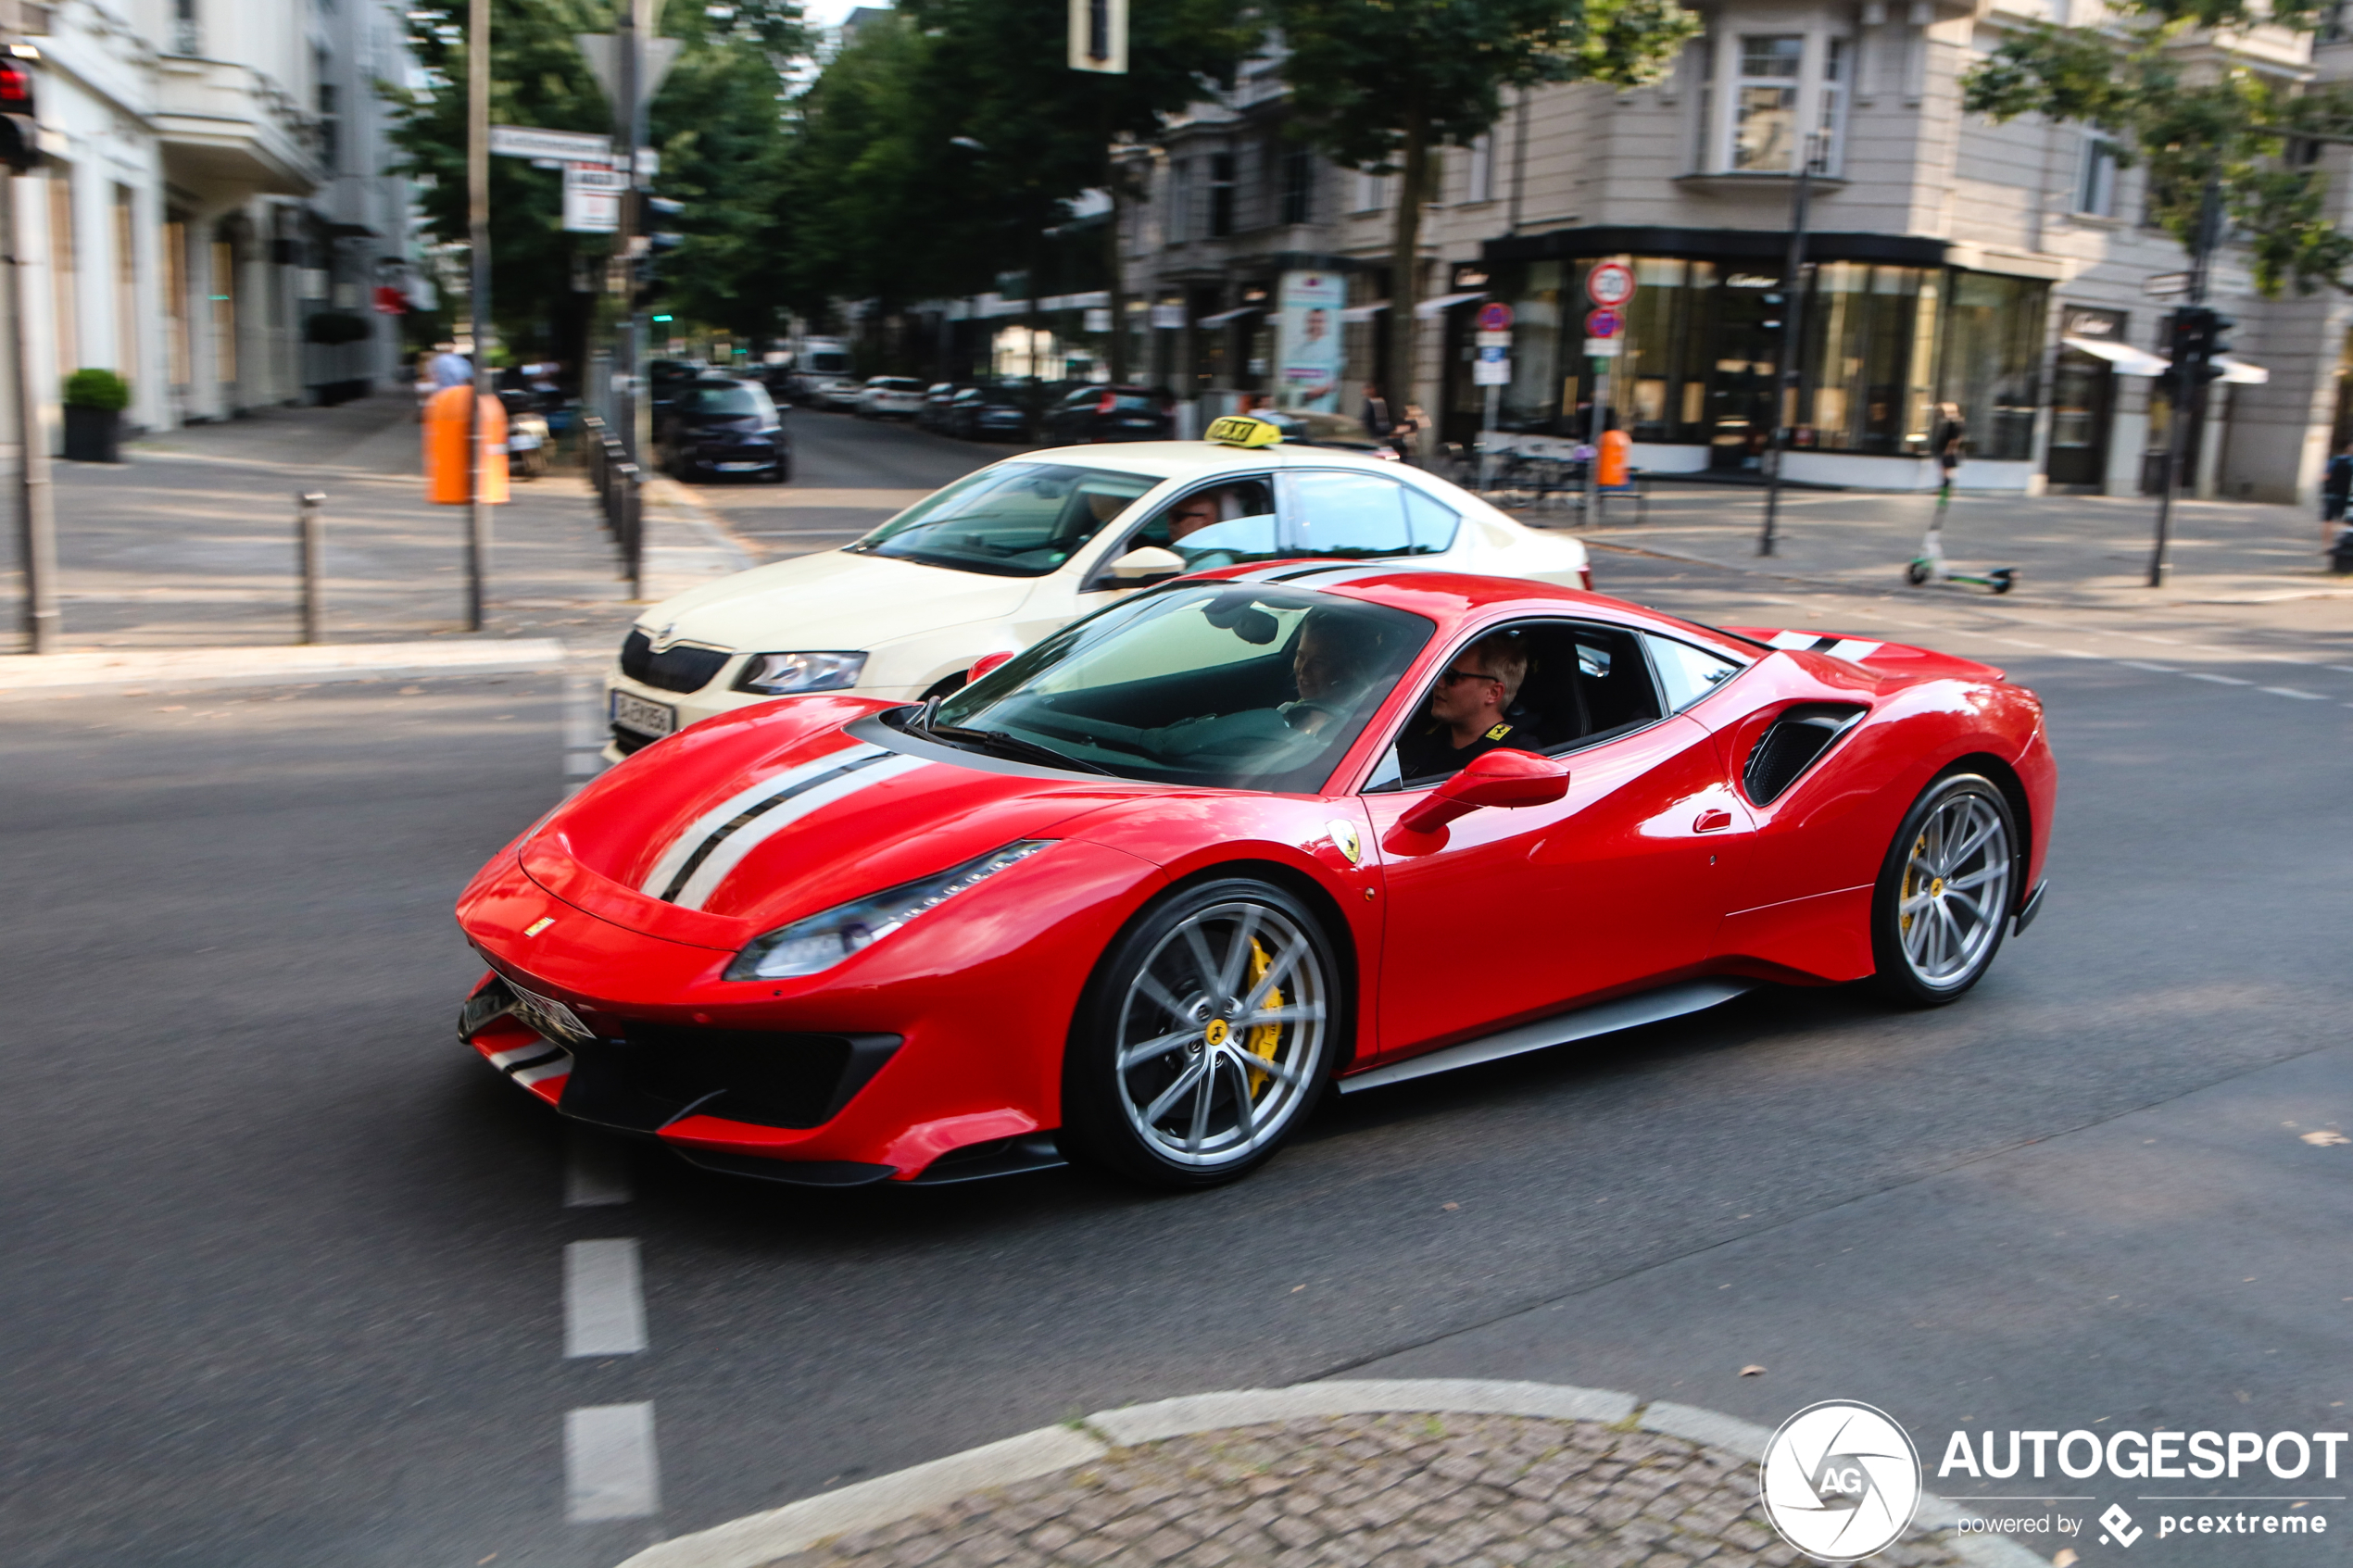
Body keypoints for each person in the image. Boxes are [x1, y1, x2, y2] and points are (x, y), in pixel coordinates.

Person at [1395, 630, 1531, 780]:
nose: (1438, 683)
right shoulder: (1421, 739)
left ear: (1493, 693)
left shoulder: (1516, 760)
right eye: (1440, 673)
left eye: (1452, 677)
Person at [1278, 610, 1388, 734]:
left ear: (1348, 668)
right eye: (1301, 656)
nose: (1303, 669)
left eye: (1318, 662)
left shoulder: (1362, 726)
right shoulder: (1285, 713)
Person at [2322, 439, 2353, 538]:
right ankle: (2346, 545)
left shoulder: (2335, 460)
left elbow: (2326, 476)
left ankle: (2326, 546)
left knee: (2328, 520)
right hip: (2349, 496)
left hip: (2333, 494)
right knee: (2349, 521)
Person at [1933, 402, 1967, 493]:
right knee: (1948, 471)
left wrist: (1948, 451)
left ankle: (1945, 490)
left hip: (1949, 451)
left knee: (1946, 471)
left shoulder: (1953, 423)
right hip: (1951, 450)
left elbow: (1954, 439)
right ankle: (1949, 489)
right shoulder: (1958, 422)